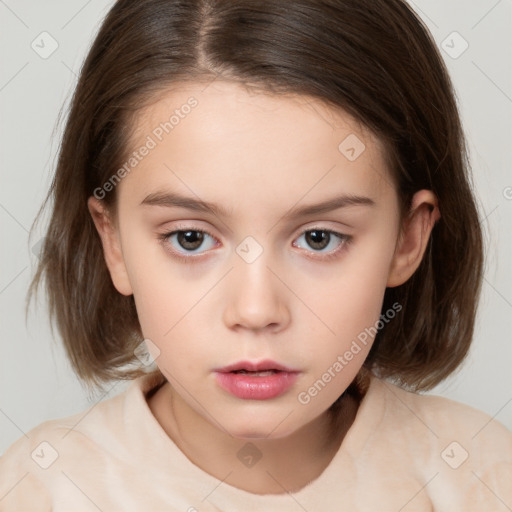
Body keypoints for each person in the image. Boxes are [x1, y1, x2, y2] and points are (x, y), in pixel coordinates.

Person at [1, 0, 510, 510]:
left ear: (407, 239)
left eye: (318, 238)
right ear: (113, 242)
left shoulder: (485, 478)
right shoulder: (38, 490)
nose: (256, 310)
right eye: (191, 239)